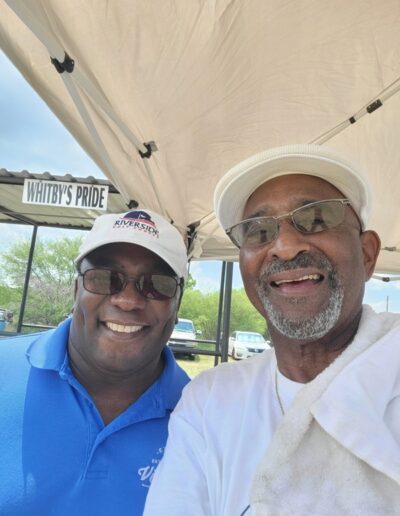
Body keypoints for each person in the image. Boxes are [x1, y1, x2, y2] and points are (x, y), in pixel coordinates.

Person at [144, 144, 400, 515]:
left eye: (315, 219)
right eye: (257, 231)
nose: (284, 246)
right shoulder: (210, 400)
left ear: (367, 253)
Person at [0, 209, 190, 516]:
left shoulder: (201, 416)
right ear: (77, 291)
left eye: (156, 284)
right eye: (103, 278)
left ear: (176, 305)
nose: (128, 300)